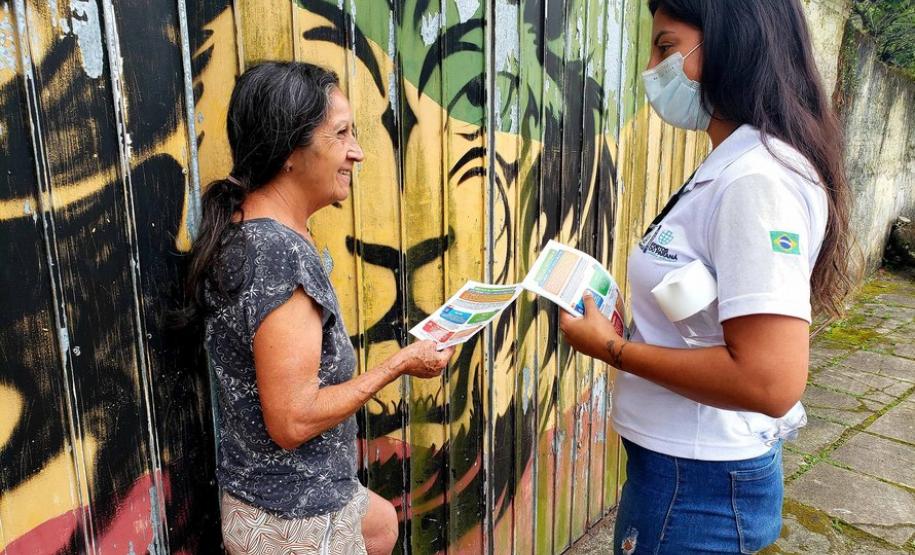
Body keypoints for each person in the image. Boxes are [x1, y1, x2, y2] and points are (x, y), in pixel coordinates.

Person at [559, 0, 854, 553]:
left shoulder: (756, 181)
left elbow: (770, 380)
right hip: (678, 470)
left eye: (666, 47)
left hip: (697, 485)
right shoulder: (732, 162)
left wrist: (612, 349)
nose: (652, 68)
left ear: (727, 44)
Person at [180, 61, 454, 554]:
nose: (358, 152)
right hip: (296, 527)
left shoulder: (250, 229)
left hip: (271, 502)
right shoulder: (276, 254)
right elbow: (292, 421)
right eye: (342, 134)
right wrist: (399, 365)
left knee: (380, 524)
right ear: (291, 151)